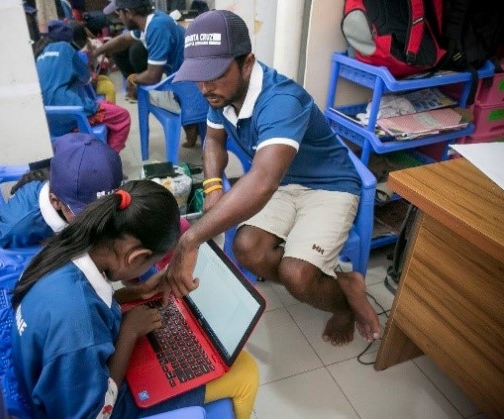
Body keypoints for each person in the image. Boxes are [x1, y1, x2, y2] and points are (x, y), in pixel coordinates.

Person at [162, 10, 382, 346]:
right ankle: (323, 277)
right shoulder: (220, 93)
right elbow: (214, 139)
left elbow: (263, 180)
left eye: (215, 75)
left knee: (297, 274)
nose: (205, 87)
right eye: (199, 76)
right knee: (247, 249)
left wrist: (189, 240)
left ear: (247, 63)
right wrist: (211, 187)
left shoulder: (281, 101)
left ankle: (345, 300)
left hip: (329, 186)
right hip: (283, 183)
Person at [11, 180, 258, 418]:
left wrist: (135, 294)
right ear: (135, 257)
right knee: (245, 372)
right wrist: (128, 333)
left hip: (54, 375)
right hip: (91, 404)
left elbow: (85, 310)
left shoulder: (63, 248)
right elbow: (96, 413)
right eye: (151, 263)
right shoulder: (79, 323)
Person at [0, 133, 123, 249]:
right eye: (86, 213)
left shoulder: (99, 174)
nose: (99, 218)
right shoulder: (15, 227)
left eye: (107, 207)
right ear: (56, 202)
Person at [97, 0, 199, 147]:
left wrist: (133, 80)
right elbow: (123, 39)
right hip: (188, 81)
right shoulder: (154, 20)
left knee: (140, 92)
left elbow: (153, 76)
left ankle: (189, 120)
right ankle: (191, 121)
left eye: (119, 13)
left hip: (188, 90)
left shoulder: (157, 28)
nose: (119, 18)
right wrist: (97, 52)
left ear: (129, 13)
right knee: (138, 73)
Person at [34, 20, 131, 154]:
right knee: (122, 116)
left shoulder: (39, 54)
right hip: (70, 112)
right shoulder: (65, 48)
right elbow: (87, 79)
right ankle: (109, 159)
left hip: (47, 118)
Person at [70, 21, 118, 103]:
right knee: (109, 88)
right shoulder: (86, 51)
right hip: (83, 87)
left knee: (104, 78)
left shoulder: (66, 51)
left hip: (78, 84)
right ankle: (110, 110)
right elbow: (106, 63)